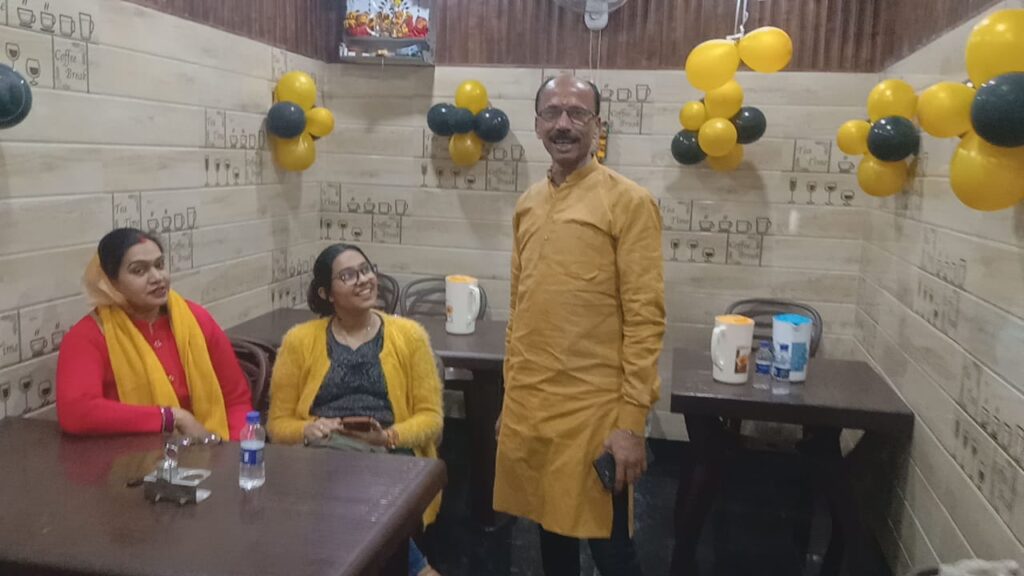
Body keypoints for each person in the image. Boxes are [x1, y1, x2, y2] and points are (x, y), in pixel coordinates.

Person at [494, 74, 666, 576]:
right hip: (532, 405)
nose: (563, 124)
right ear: (537, 124)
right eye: (552, 113)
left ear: (597, 125)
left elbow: (645, 319)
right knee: (549, 533)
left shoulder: (629, 202)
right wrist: (510, 400)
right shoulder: (528, 203)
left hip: (595, 413)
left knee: (612, 551)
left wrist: (630, 424)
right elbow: (520, 310)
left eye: (577, 113)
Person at [267, 243, 443, 576]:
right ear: (326, 293)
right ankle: (418, 568)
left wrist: (388, 436)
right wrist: (307, 429)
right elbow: (277, 423)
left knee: (349, 497)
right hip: (323, 454)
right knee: (336, 490)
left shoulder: (410, 336)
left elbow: (431, 418)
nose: (363, 280)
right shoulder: (299, 341)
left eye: (366, 270)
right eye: (348, 276)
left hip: (390, 453)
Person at [56, 228, 253, 440]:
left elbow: (236, 400)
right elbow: (77, 412)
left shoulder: (195, 320)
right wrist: (170, 418)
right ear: (111, 282)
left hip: (211, 447)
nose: (157, 278)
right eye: (139, 271)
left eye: (159, 265)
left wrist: (233, 450)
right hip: (132, 457)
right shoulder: (90, 336)